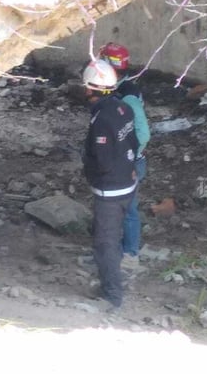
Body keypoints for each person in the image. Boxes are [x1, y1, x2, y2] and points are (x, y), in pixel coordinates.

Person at [81, 59, 139, 308]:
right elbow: (134, 143)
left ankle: (112, 295)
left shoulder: (101, 120)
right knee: (111, 239)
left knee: (106, 243)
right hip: (127, 184)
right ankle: (110, 285)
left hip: (110, 191)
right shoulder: (124, 109)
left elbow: (102, 161)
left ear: (89, 90)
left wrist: (91, 174)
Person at [99, 42, 150, 271]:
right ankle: (113, 251)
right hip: (119, 160)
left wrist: (129, 159)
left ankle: (130, 255)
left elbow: (143, 133)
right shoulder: (119, 88)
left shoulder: (127, 95)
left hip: (128, 162)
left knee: (128, 211)